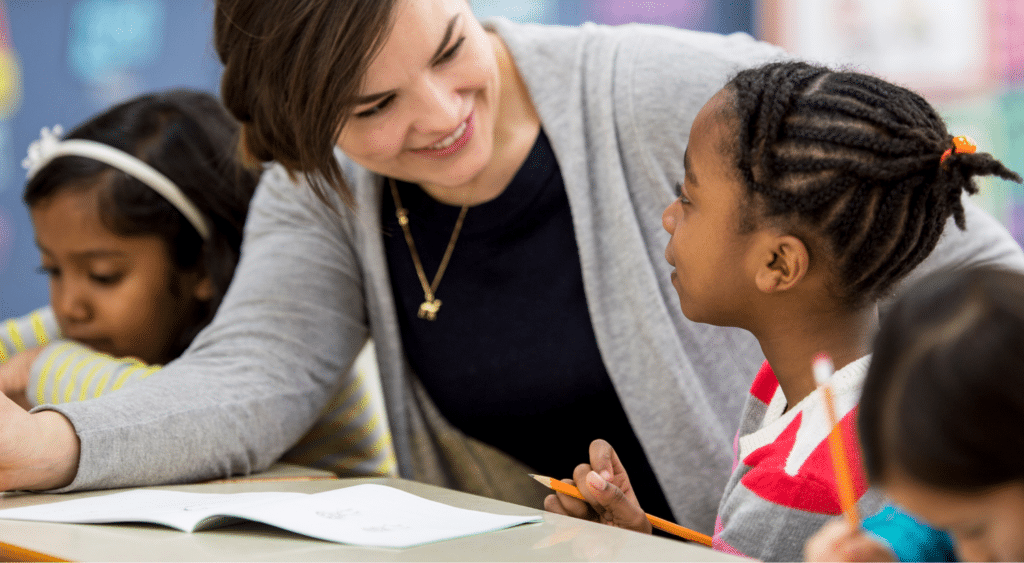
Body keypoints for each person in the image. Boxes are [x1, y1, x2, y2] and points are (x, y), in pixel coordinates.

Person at [0, 0, 1019, 536]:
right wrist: (50, 444)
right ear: (308, 131)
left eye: (450, 46)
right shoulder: (324, 186)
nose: (441, 116)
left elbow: (978, 274)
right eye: (371, 109)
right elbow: (257, 373)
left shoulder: (676, 96)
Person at [541, 61, 1023, 561]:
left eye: (687, 197)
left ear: (778, 262)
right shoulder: (809, 388)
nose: (668, 216)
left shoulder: (803, 485)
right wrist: (636, 542)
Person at [0, 89, 394, 478]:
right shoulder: (82, 331)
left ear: (202, 268)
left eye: (104, 275)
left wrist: (40, 370)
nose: (70, 305)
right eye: (51, 270)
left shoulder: (278, 348)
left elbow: (179, 413)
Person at [804, 267, 1024, 562]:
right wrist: (884, 551)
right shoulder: (967, 500)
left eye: (974, 531)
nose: (970, 556)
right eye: (950, 528)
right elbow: (921, 528)